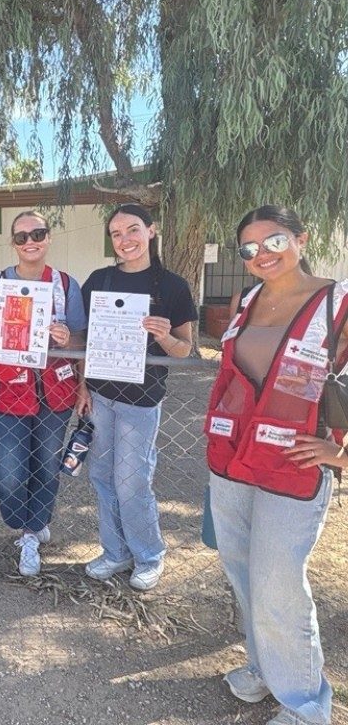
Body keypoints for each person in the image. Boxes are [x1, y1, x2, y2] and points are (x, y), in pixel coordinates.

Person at [206, 205, 348, 725]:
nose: (262, 254)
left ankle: (307, 704)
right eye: (249, 248)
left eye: (274, 241)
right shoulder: (246, 301)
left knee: (279, 583)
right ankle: (267, 668)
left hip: (293, 468)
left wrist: (342, 453)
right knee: (243, 572)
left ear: (301, 239)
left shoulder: (337, 302)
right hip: (234, 461)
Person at [79, 203, 197, 591]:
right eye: (116, 234)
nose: (125, 240)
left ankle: (149, 554)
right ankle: (115, 552)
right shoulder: (99, 280)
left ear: (151, 231)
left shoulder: (174, 286)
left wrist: (163, 335)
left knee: (132, 480)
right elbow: (86, 342)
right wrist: (83, 386)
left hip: (141, 398)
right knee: (101, 474)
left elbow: (183, 350)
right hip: (101, 393)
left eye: (132, 230)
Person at [0, 211, 85, 576]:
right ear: (13, 243)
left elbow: (83, 340)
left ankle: (32, 532)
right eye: (21, 237)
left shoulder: (66, 286)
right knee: (9, 472)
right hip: (10, 391)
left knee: (46, 465)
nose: (29, 241)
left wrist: (70, 340)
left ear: (48, 237)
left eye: (37, 233)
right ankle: (24, 521)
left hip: (56, 393)